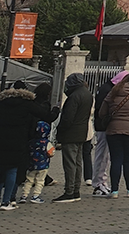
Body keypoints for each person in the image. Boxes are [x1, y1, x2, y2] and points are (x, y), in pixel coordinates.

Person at [0, 83, 56, 210]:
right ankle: (7, 201)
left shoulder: (1, 104)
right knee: (12, 170)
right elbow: (44, 114)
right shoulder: (27, 104)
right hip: (17, 141)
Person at [98, 72, 129, 197]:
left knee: (116, 160)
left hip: (113, 131)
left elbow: (102, 112)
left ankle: (114, 190)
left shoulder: (113, 93)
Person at [54, 73, 92, 203]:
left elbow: (68, 117)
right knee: (77, 162)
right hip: (81, 132)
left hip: (71, 133)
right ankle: (76, 190)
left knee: (70, 163)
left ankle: (69, 191)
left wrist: (60, 131)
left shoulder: (74, 96)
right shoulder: (87, 94)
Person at [18, 84, 54, 204]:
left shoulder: (32, 103)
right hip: (43, 162)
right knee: (40, 179)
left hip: (30, 140)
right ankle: (36, 196)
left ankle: (24, 195)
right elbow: (51, 152)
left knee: (29, 176)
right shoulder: (44, 105)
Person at [90, 76, 115, 197]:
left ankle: (102, 182)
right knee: (102, 155)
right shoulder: (107, 90)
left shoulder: (105, 88)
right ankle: (98, 183)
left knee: (105, 156)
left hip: (103, 125)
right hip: (103, 126)